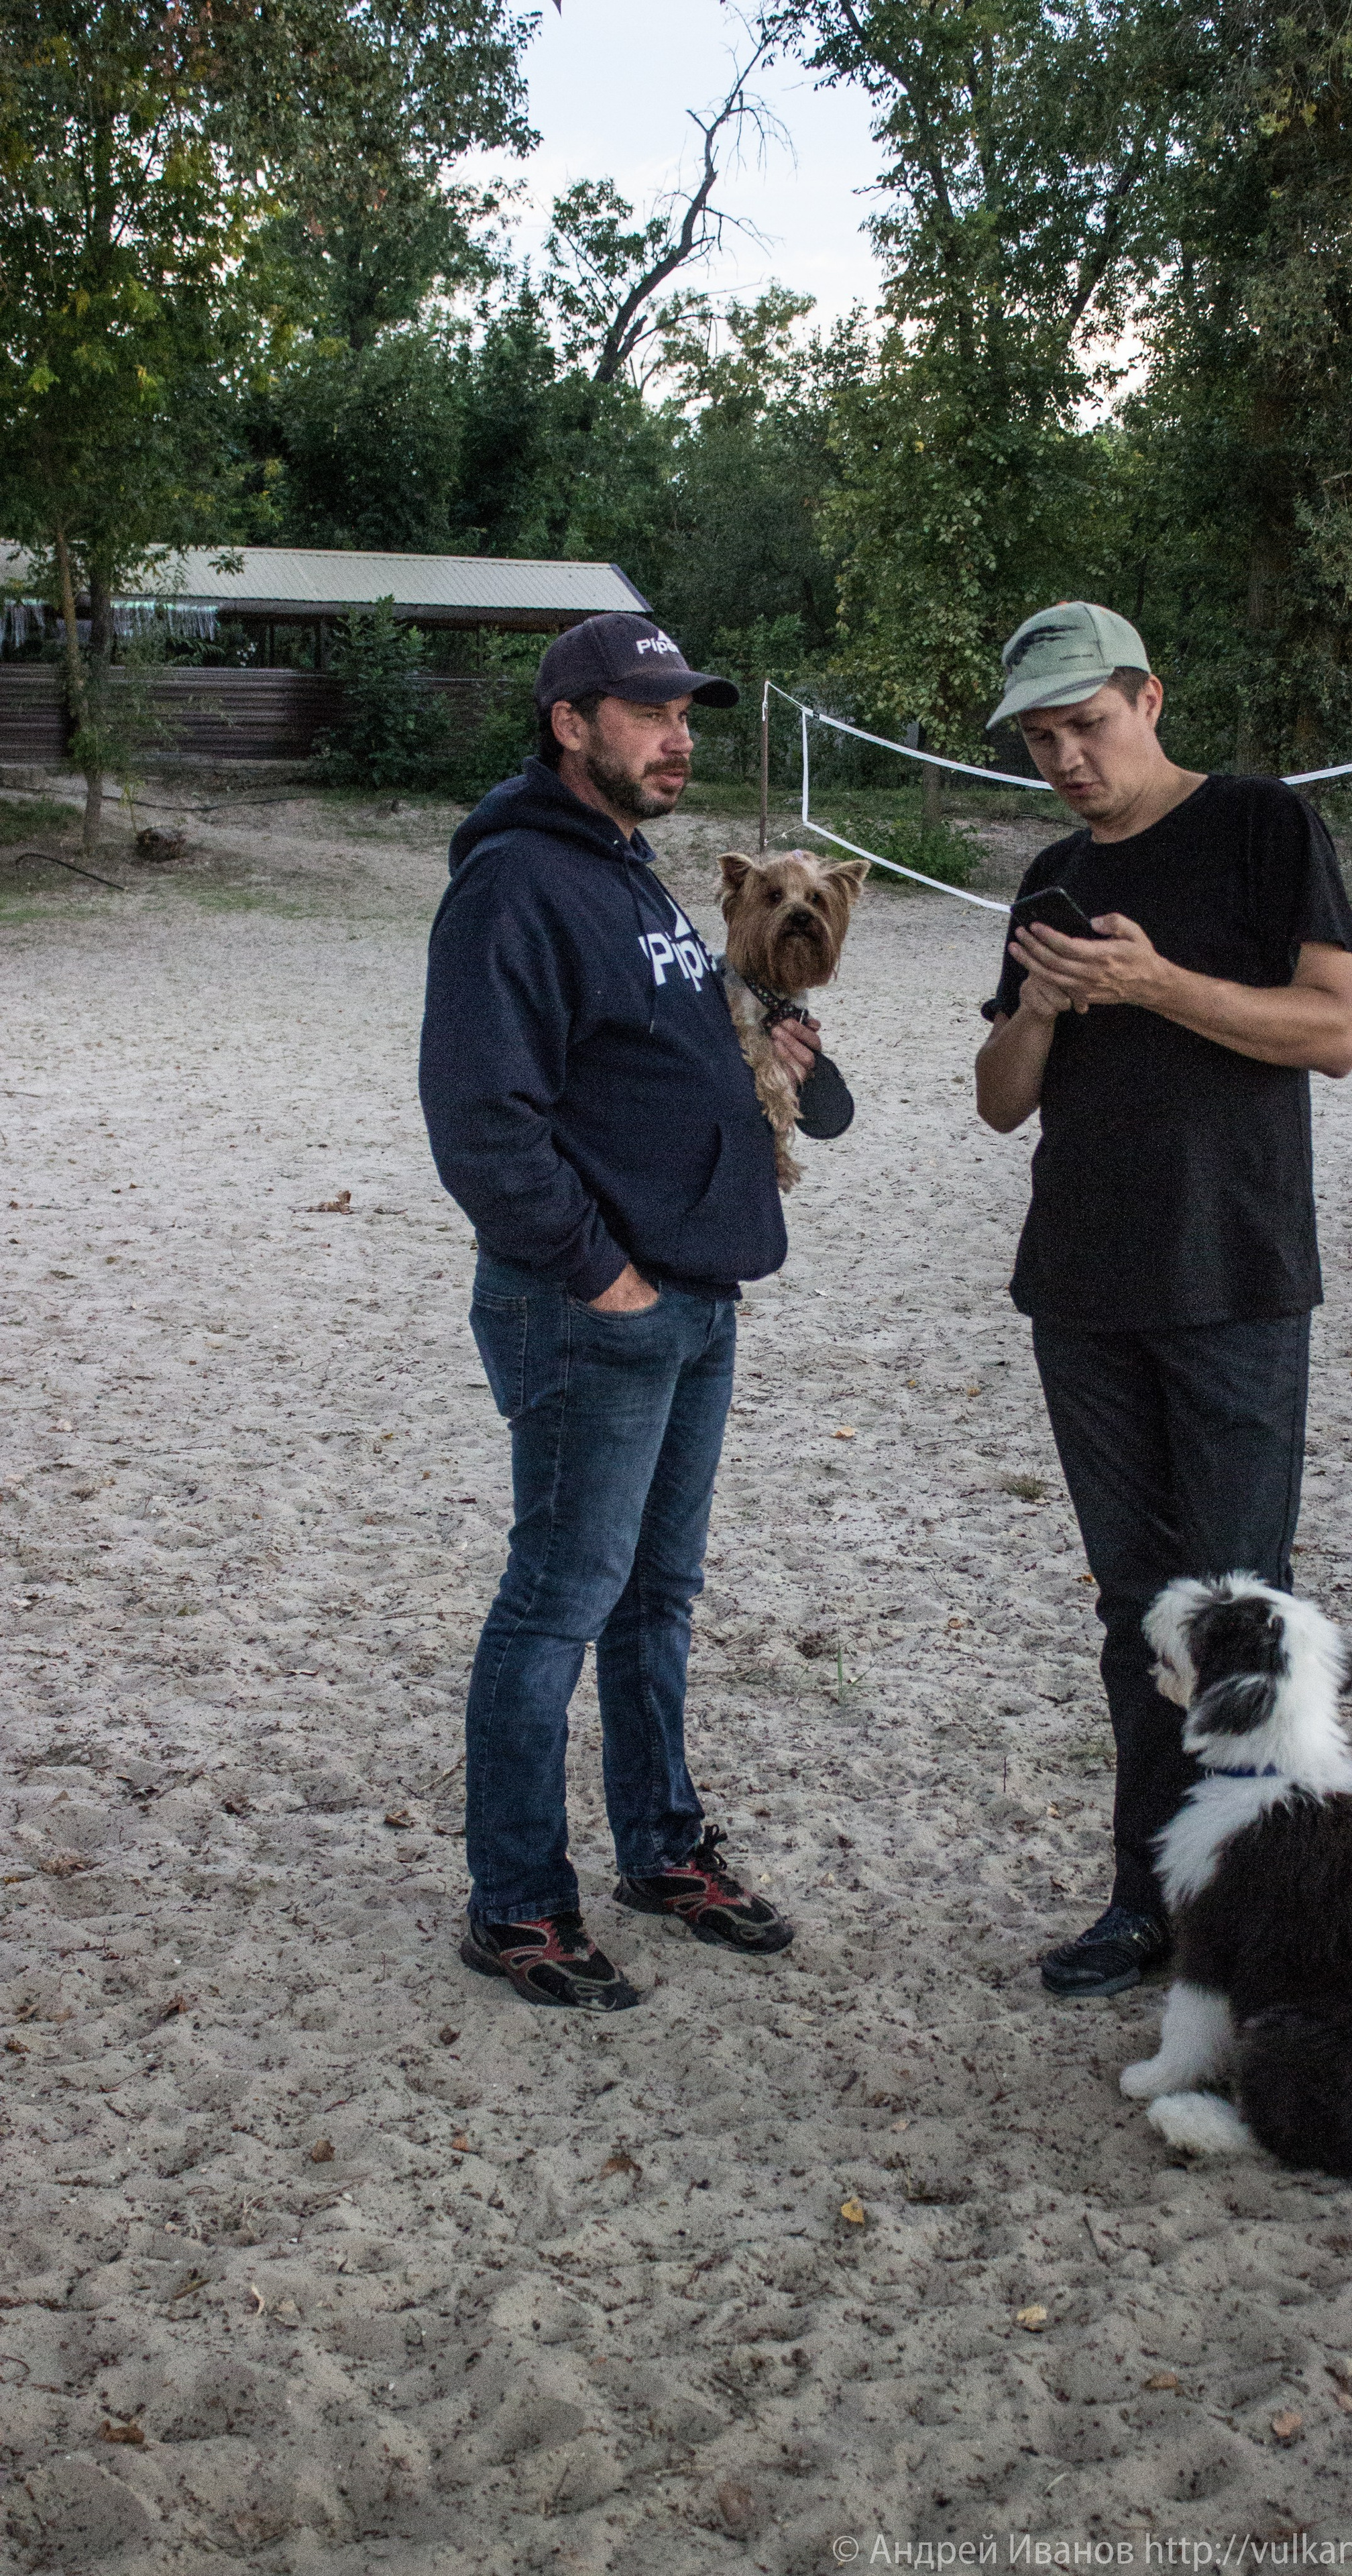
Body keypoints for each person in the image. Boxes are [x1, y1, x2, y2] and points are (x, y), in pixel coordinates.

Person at [419, 613, 819, 2014]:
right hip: (592, 1307)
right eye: (645, 709)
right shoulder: (516, 883)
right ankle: (518, 1907)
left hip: (692, 1302)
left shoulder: (630, 875)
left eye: (685, 709)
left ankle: (661, 1850)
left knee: (655, 1601)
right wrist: (606, 1276)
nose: (677, 732)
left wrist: (762, 1053)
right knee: (555, 1605)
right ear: (567, 722)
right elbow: (480, 1120)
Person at [974, 601, 1352, 1998]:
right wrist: (1037, 1008)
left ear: (1149, 697)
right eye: (1039, 739)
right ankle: (1140, 1902)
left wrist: (1154, 983)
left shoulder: (1265, 828)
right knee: (1132, 1613)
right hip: (1078, 1290)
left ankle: (1250, 1920)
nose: (1065, 758)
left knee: (1238, 1614)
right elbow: (997, 1105)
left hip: (1235, 1279)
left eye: (1083, 724)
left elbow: (1334, 1033)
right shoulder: (1048, 875)